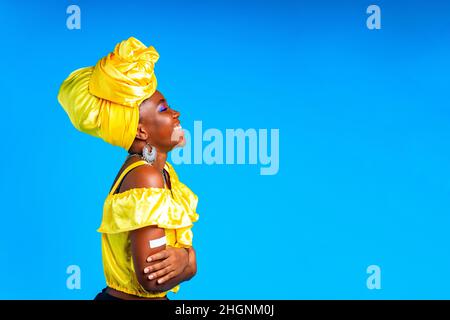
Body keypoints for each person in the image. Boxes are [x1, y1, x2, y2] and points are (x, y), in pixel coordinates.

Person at [57, 37, 199, 300]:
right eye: (164, 108)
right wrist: (190, 261)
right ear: (140, 130)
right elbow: (153, 279)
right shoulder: (146, 177)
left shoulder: (164, 172)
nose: (176, 114)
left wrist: (185, 261)